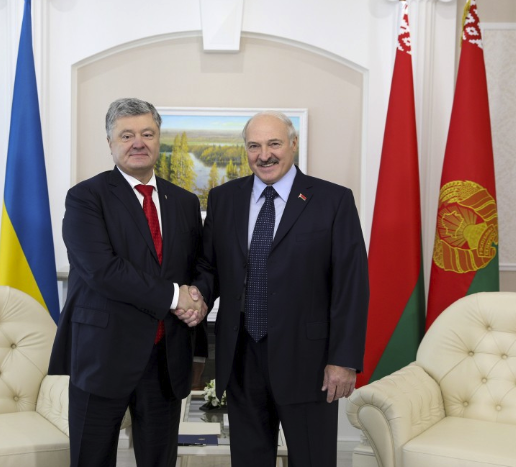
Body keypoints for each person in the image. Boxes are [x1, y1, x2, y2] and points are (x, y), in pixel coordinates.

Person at [194, 110, 369, 467]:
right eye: (254, 146)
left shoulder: (332, 200)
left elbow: (351, 285)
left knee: (313, 459)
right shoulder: (224, 198)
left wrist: (344, 359)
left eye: (273, 144)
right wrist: (195, 299)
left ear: (293, 144)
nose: (264, 155)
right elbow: (209, 267)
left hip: (309, 360)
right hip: (241, 355)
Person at [49, 98, 207, 467]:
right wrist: (176, 296)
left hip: (165, 359)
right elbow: (102, 270)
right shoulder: (85, 197)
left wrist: (198, 298)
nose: (138, 142)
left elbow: (199, 264)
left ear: (158, 139)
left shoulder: (184, 201)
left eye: (147, 134)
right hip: (103, 355)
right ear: (110, 142)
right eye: (126, 135)